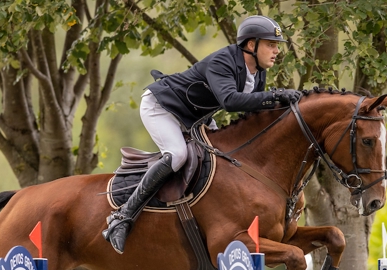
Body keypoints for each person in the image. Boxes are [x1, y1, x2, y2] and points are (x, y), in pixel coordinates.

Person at [102, 15, 302, 254]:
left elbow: (254, 109)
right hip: (163, 107)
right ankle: (122, 218)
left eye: (277, 45)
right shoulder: (223, 61)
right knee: (177, 155)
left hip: (196, 116)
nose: (276, 50)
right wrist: (276, 95)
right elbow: (229, 101)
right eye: (271, 44)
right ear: (251, 45)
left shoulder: (257, 71)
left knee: (224, 157)